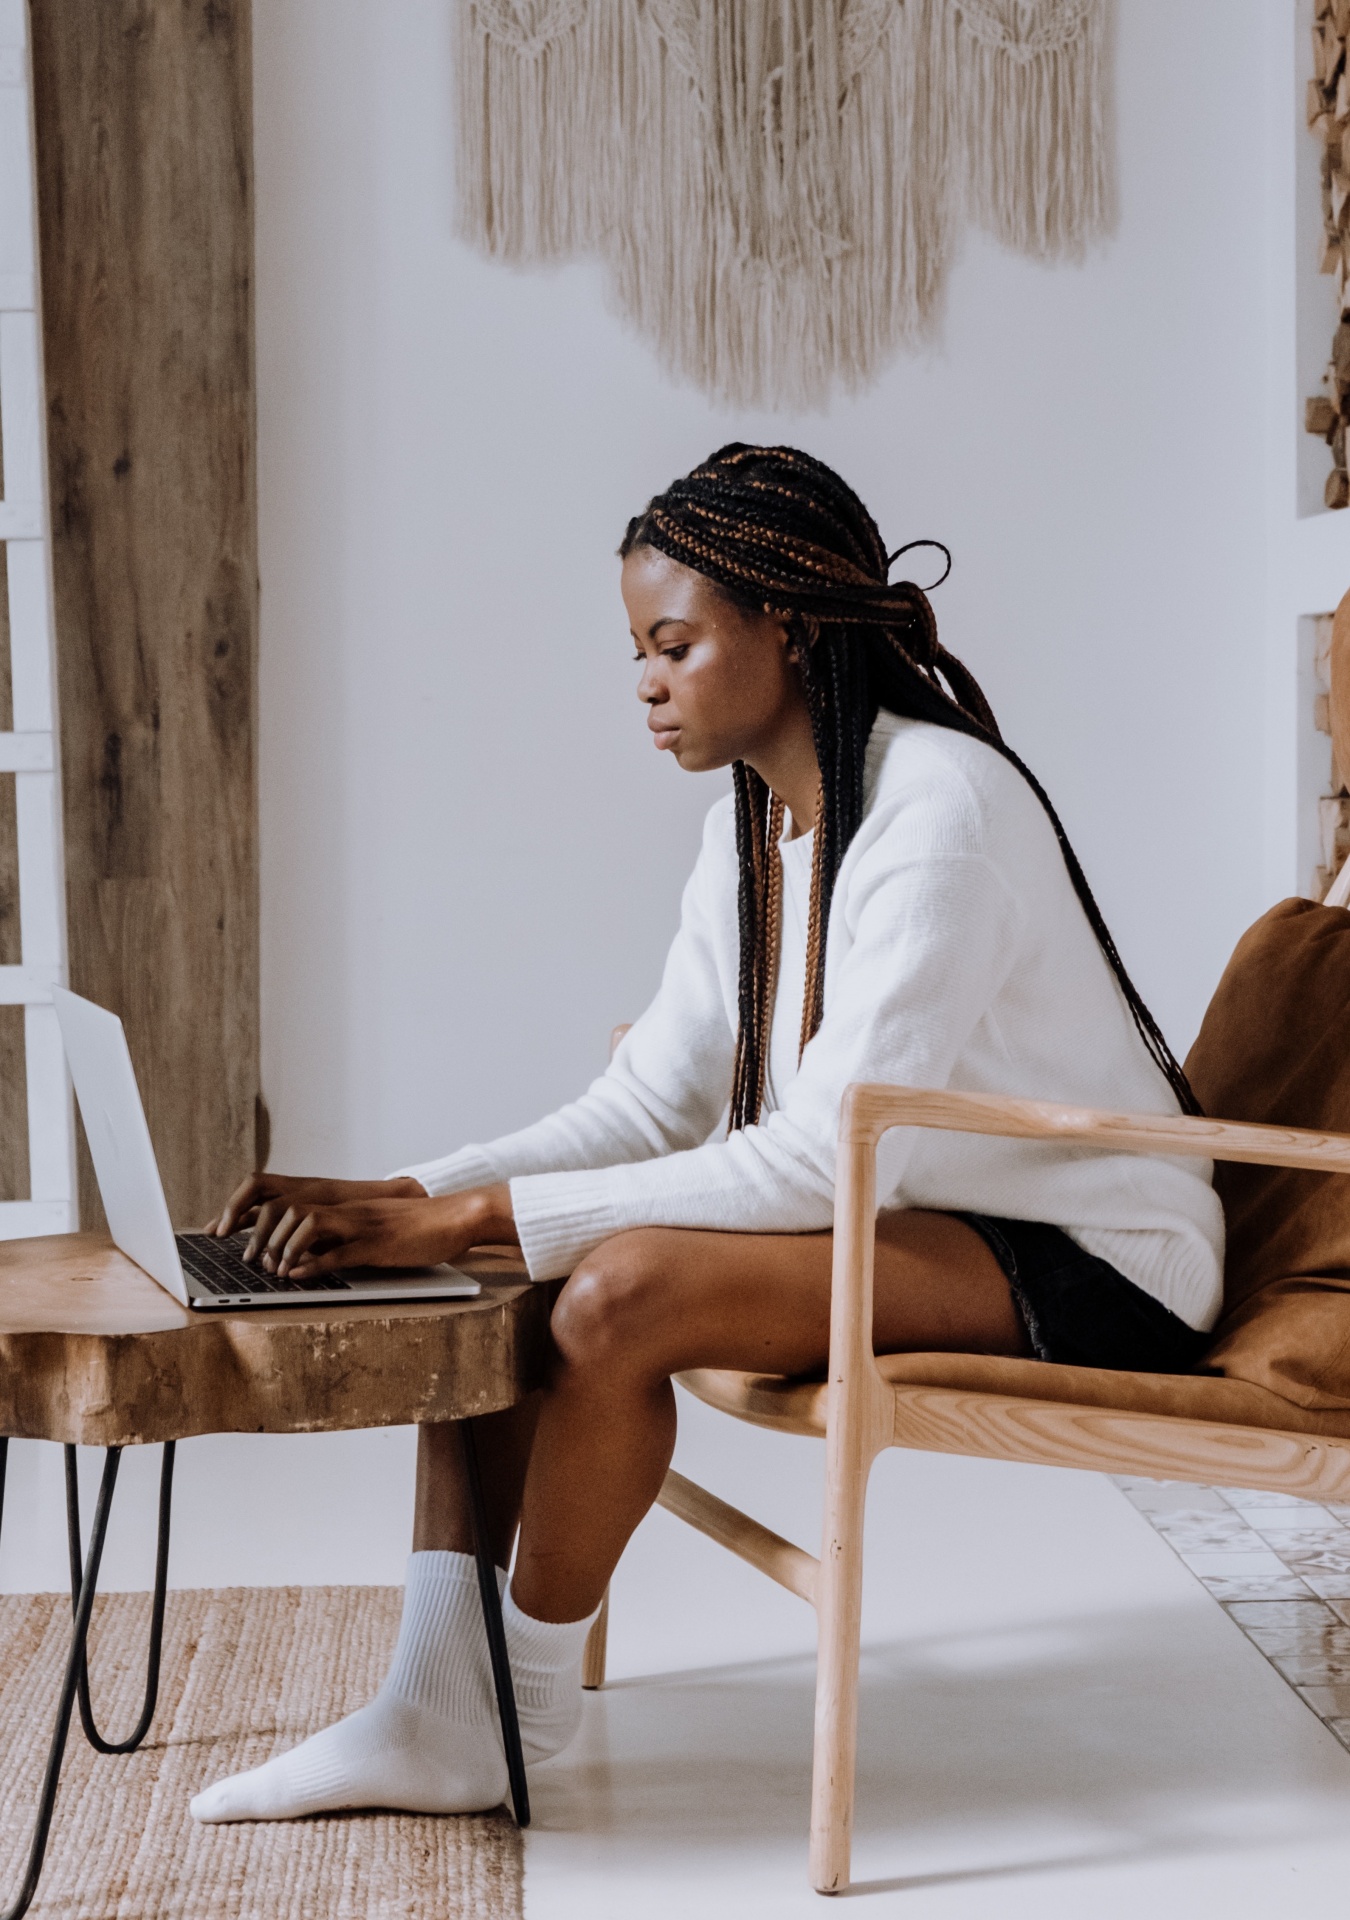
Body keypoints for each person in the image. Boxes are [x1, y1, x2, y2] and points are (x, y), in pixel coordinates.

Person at [189, 443, 1223, 1825]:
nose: (644, 680)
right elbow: (645, 1107)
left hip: (1098, 1251)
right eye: (638, 648)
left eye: (673, 643)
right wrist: (407, 1197)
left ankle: (515, 1727)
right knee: (505, 1272)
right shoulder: (757, 831)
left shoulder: (939, 814)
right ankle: (434, 1707)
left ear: (784, 628)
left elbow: (821, 1158)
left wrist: (460, 1214)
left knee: (614, 1292)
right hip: (940, 1209)